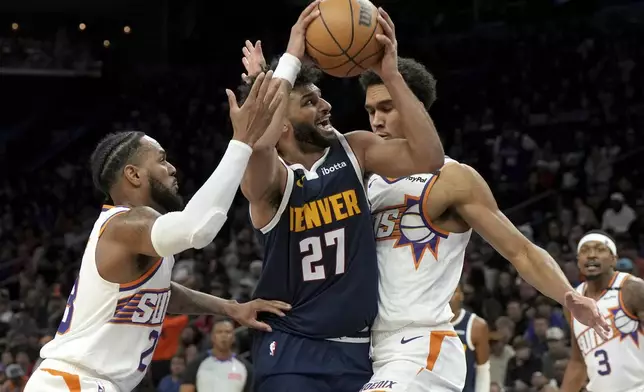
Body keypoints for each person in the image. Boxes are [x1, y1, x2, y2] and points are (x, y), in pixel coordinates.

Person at [24, 72, 291, 392]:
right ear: (133, 175)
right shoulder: (124, 225)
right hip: (72, 383)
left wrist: (229, 308)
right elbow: (198, 229)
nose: (172, 168)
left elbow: (161, 292)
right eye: (162, 160)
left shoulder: (139, 238)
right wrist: (242, 142)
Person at [357, 57, 610, 392]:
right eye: (371, 111)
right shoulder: (364, 180)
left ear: (413, 106)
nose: (377, 121)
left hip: (420, 344)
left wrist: (566, 295)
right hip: (363, 348)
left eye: (387, 108)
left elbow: (520, 250)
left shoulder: (451, 178)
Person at [236, 4, 445, 392]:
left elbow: (429, 158)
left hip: (357, 352)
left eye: (321, 97)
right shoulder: (271, 180)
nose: (326, 105)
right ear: (282, 122)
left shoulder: (355, 150)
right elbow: (258, 138)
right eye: (310, 102)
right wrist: (292, 58)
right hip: (292, 349)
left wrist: (391, 74)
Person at [560, 230, 644, 392]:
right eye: (585, 251)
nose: (591, 255)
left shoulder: (632, 288)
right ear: (578, 261)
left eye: (599, 249)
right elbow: (578, 362)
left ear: (614, 259)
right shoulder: (573, 302)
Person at [180, 318, 253, 392]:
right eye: (219, 332)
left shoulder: (246, 367)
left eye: (228, 332)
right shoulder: (196, 365)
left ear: (233, 337)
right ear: (212, 337)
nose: (223, 335)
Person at [450, 283, 490, 392]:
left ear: (462, 295)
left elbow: (483, 369)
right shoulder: (426, 323)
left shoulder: (476, 326)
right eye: (444, 292)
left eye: (452, 292)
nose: (448, 297)